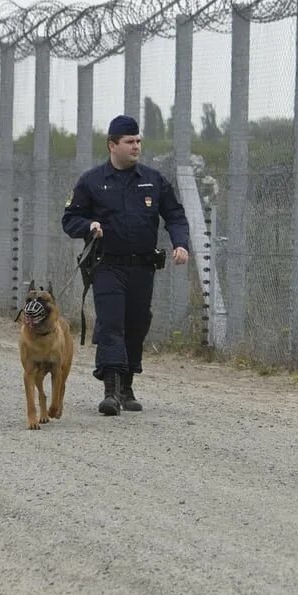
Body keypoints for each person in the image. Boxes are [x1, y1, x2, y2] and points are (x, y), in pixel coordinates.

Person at [62, 114, 190, 415]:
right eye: (130, 142)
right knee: (111, 323)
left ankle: (127, 385)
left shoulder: (153, 180)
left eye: (138, 141)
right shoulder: (92, 181)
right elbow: (69, 219)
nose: (136, 146)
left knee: (136, 324)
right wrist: (89, 224)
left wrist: (180, 243)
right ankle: (110, 390)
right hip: (107, 265)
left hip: (142, 267)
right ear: (112, 145)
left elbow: (174, 214)